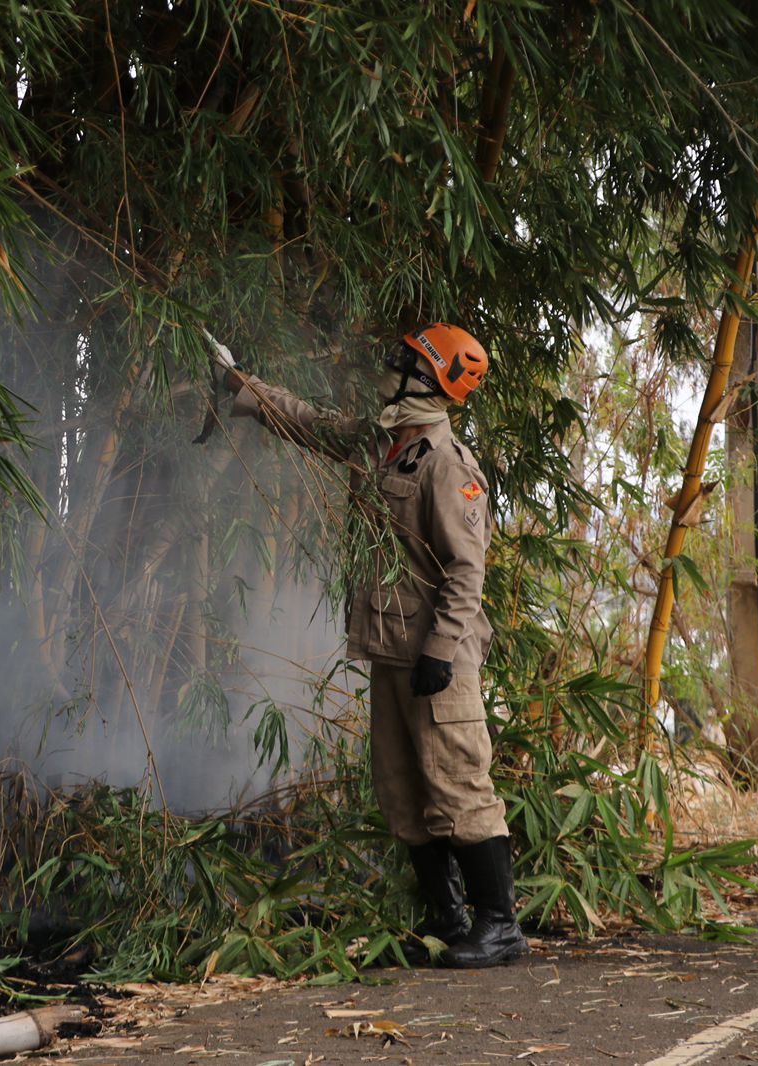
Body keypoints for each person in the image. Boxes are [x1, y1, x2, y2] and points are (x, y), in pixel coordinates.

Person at [220, 323, 527, 969]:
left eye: (404, 361)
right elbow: (312, 422)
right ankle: (446, 920)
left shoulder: (449, 466)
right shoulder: (384, 442)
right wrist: (240, 385)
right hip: (391, 650)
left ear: (431, 379)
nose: (389, 368)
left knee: (458, 786)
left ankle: (499, 927)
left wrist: (441, 652)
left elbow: (467, 569)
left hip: (439, 658)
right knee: (404, 791)